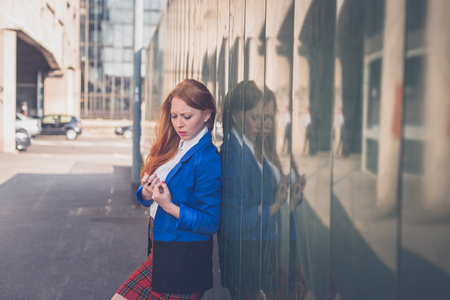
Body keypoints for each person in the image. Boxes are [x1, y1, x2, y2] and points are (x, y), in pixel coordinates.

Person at [112, 79, 222, 300]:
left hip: (184, 258)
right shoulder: (174, 144)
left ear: (207, 115)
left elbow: (211, 222)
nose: (179, 124)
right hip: (161, 248)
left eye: (187, 116)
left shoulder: (207, 157)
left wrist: (169, 206)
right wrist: (146, 191)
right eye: (174, 116)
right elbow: (147, 197)